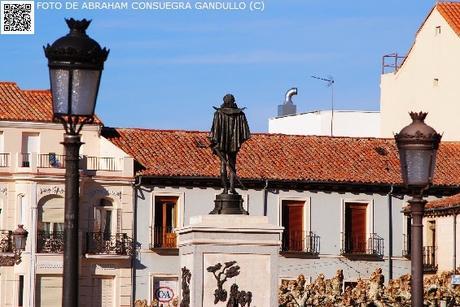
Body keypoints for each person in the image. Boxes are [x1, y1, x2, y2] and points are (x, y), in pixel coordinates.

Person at [210, 94, 250, 194]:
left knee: (223, 165)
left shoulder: (218, 113)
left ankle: (225, 189)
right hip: (234, 143)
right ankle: (232, 188)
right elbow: (245, 133)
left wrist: (214, 142)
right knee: (232, 165)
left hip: (221, 144)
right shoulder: (240, 114)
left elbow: (214, 131)